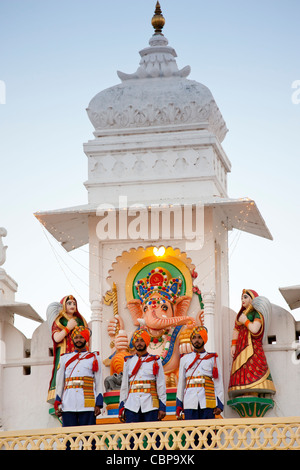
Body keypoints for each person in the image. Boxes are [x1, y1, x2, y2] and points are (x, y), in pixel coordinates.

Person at [228, 289, 276, 398]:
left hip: (253, 347)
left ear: (253, 299)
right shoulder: (241, 314)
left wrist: (245, 320)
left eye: (245, 297)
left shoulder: (256, 313)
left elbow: (255, 329)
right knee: (243, 367)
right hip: (241, 346)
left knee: (252, 367)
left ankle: (254, 392)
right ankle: (245, 391)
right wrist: (233, 345)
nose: (242, 300)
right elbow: (236, 330)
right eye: (241, 297)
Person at [54, 326, 103, 428]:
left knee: (89, 439)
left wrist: (98, 403)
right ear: (73, 340)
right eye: (76, 337)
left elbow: (98, 381)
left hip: (88, 403)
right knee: (69, 439)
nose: (79, 340)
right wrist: (58, 402)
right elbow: (59, 382)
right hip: (68, 403)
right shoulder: (64, 358)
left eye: (81, 337)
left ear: (86, 339)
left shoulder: (94, 357)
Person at [47, 295, 89, 404]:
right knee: (62, 373)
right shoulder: (60, 320)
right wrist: (68, 328)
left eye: (74, 303)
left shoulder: (80, 320)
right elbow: (56, 338)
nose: (72, 306)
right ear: (64, 305)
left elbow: (86, 337)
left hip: (78, 353)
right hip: (64, 352)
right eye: (69, 303)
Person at [118, 329, 166, 423]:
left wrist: (162, 406)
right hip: (132, 404)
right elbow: (124, 386)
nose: (139, 343)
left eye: (142, 340)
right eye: (137, 340)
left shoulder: (155, 360)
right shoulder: (128, 361)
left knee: (151, 435)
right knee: (132, 435)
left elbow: (161, 385)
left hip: (150, 405)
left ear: (147, 342)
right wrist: (121, 405)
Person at [176, 326, 224, 420]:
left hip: (208, 401)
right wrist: (179, 404)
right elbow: (181, 383)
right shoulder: (184, 359)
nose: (196, 340)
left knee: (208, 432)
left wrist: (220, 404)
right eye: (194, 338)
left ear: (204, 339)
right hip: (190, 401)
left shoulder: (212, 358)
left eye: (199, 337)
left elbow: (218, 382)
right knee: (191, 432)